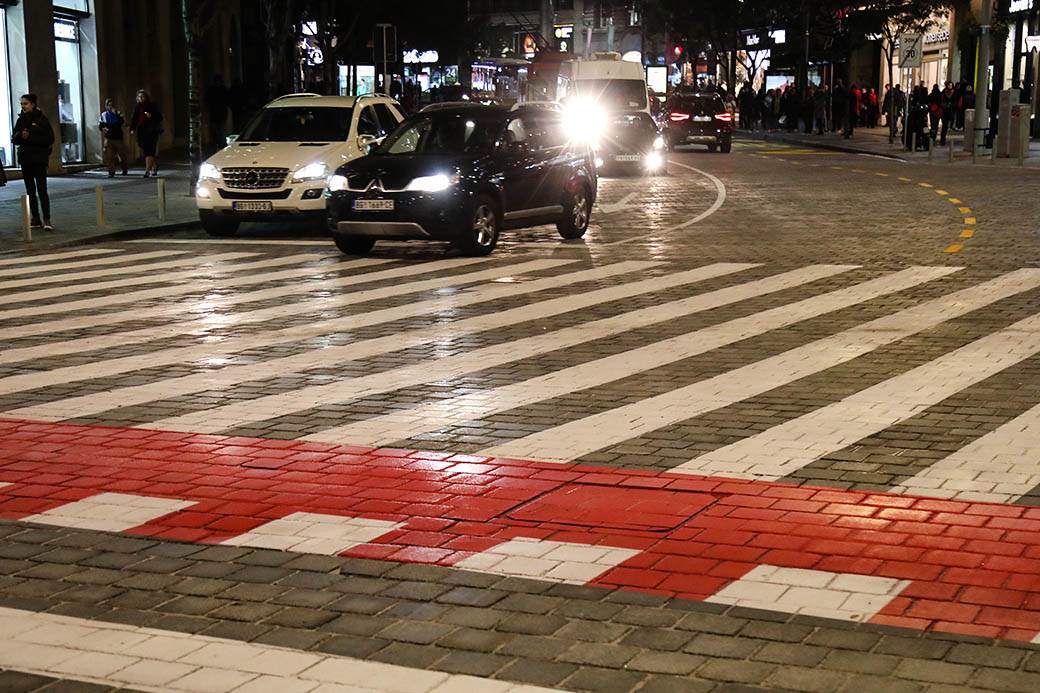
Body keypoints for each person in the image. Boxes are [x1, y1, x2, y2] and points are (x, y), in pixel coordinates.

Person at [13, 93, 55, 231]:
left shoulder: (42, 119)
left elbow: (50, 139)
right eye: (21, 104)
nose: (23, 106)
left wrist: (30, 137)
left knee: (42, 190)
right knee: (30, 190)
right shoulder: (21, 120)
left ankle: (47, 219)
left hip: (39, 159)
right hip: (26, 159)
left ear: (33, 104)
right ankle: (35, 218)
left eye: (25, 103)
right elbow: (14, 139)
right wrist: (20, 136)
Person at [130, 89, 163, 177]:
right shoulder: (137, 107)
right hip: (142, 131)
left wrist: (151, 115)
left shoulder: (152, 105)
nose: (141, 98)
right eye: (139, 97)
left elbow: (159, 117)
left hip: (152, 131)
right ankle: (154, 165)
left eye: (142, 97)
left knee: (150, 150)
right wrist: (132, 128)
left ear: (146, 97)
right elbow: (134, 118)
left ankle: (147, 171)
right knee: (145, 150)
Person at [99, 98, 129, 177]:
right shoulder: (103, 114)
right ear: (106, 106)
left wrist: (116, 114)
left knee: (122, 155)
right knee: (109, 156)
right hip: (108, 138)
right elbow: (100, 125)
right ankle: (111, 172)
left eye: (111, 105)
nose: (110, 106)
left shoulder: (118, 113)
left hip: (118, 138)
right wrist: (103, 128)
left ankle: (124, 169)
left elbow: (122, 121)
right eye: (108, 105)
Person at [204, 75, 229, 152]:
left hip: (219, 112)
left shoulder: (218, 90)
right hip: (216, 112)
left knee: (220, 129)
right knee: (217, 130)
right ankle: (220, 143)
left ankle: (220, 143)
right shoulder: (220, 89)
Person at [939, 81, 956, 146]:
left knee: (948, 125)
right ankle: (942, 140)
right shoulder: (943, 92)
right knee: (944, 126)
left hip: (951, 111)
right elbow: (941, 101)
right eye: (949, 85)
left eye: (951, 85)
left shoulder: (954, 93)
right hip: (944, 111)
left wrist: (952, 105)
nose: (950, 86)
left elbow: (956, 101)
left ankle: (943, 139)